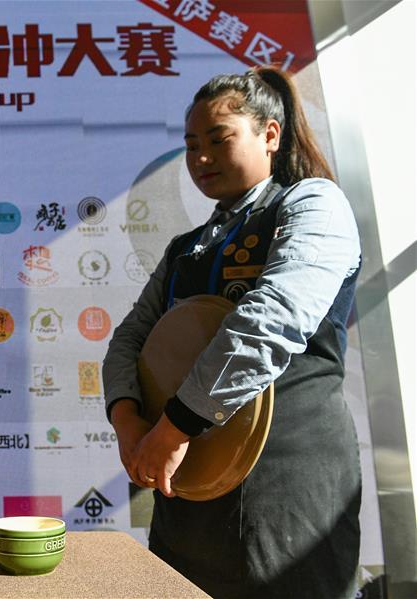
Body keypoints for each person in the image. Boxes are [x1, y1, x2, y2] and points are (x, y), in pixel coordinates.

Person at [102, 67, 361, 598]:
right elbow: (128, 341)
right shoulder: (186, 246)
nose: (200, 158)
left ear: (270, 135)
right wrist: (129, 422)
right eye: (191, 144)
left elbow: (270, 319)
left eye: (219, 140)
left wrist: (172, 429)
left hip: (288, 487)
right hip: (189, 487)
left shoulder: (313, 204)